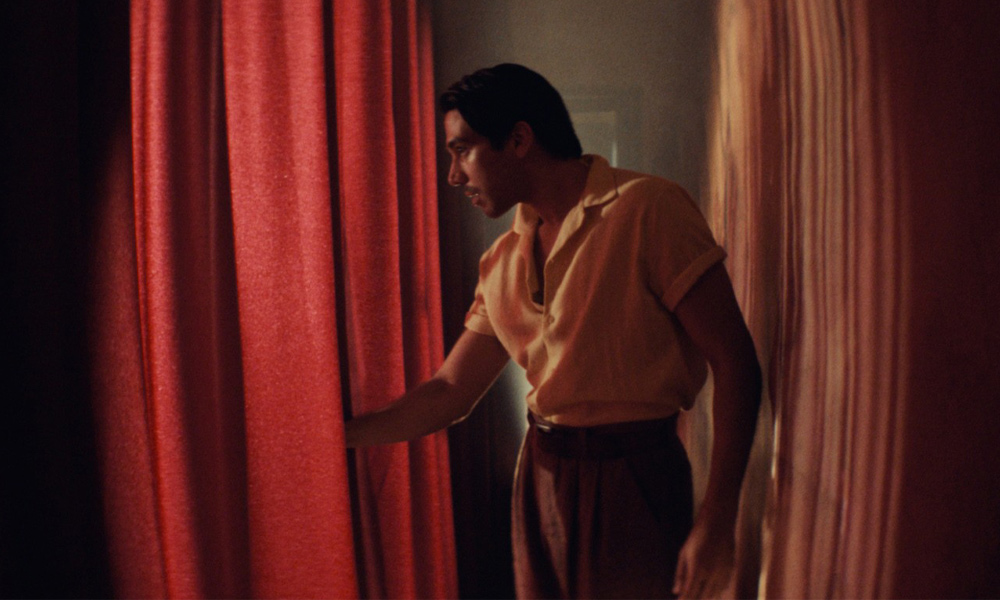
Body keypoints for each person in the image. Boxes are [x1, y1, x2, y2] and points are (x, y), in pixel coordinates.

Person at [346, 63, 761, 599]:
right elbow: (450, 391)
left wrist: (718, 518)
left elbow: (735, 361)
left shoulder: (647, 208)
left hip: (633, 477)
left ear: (519, 139)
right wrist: (338, 437)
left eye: (463, 150)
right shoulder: (502, 259)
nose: (454, 176)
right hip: (541, 474)